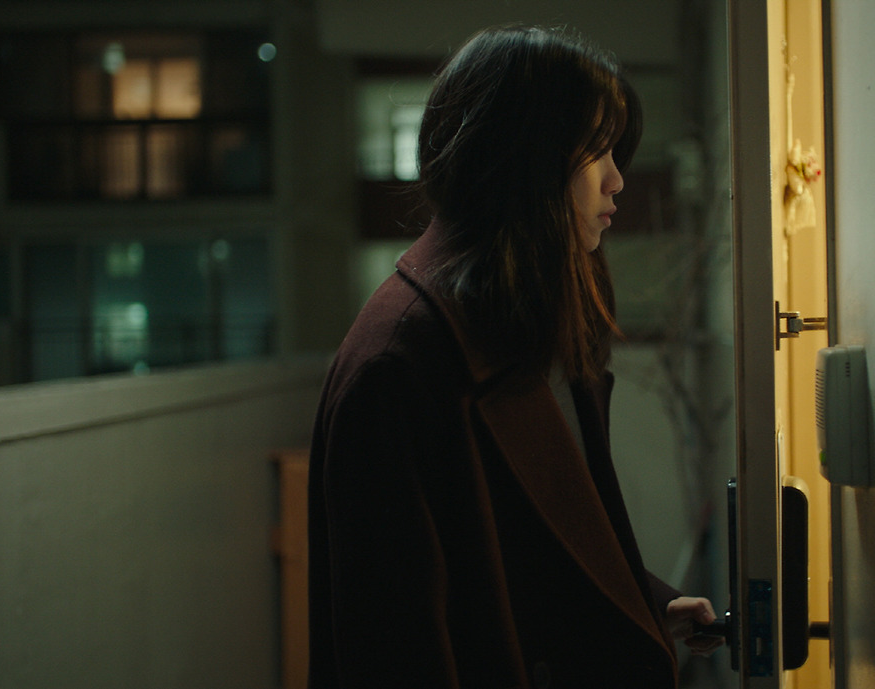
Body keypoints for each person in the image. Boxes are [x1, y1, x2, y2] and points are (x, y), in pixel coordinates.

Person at [307, 25, 723, 689]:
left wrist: (640, 603)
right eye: (596, 151)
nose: (617, 180)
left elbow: (530, 545)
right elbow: (395, 646)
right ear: (526, 158)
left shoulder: (521, 317)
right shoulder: (401, 361)